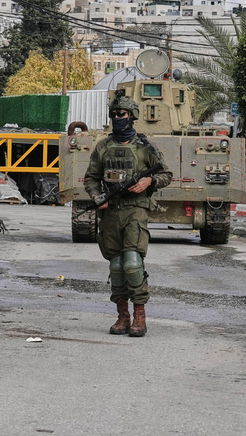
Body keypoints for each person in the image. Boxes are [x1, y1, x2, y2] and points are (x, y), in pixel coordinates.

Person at [83, 89, 173, 337]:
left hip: (136, 210)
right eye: (113, 114)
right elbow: (91, 179)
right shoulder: (103, 147)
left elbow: (166, 174)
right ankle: (122, 316)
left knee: (133, 263)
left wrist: (149, 182)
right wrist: (96, 197)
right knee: (116, 266)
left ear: (131, 116)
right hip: (111, 212)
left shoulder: (145, 147)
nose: (117, 118)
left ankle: (140, 317)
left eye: (121, 113)